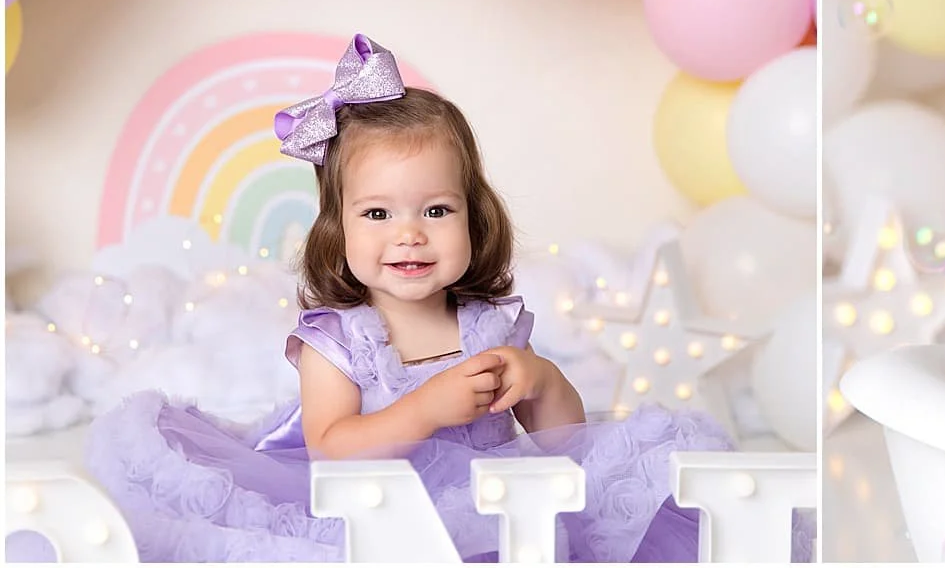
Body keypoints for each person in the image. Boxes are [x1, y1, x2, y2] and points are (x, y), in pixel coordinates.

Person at [85, 35, 736, 560]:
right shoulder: (337, 344)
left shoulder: (490, 326)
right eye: (376, 215)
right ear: (337, 230)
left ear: (473, 218)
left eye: (436, 208)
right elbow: (333, 447)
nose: (409, 234)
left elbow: (564, 438)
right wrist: (427, 408)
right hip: (372, 526)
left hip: (492, 527)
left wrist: (538, 379)